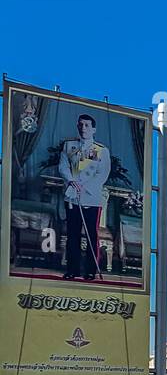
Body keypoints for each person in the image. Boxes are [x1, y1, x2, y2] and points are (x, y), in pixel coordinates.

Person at [58, 113, 111, 281]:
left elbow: (102, 174)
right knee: (72, 234)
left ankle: (90, 270)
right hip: (72, 197)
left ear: (94, 129)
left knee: (91, 236)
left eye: (87, 125)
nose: (83, 128)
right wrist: (72, 181)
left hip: (91, 198)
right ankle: (72, 269)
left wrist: (84, 187)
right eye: (80, 125)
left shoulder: (101, 150)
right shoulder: (69, 146)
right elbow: (63, 167)